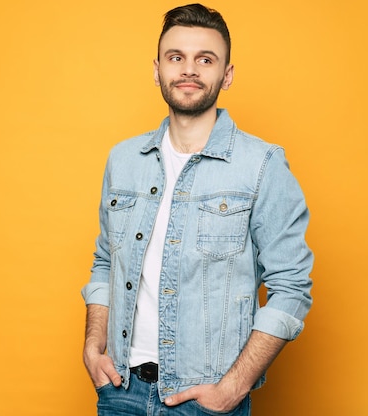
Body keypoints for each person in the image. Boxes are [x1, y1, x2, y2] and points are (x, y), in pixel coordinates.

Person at [81, 3, 313, 415]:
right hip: (120, 389)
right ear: (157, 70)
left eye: (205, 59)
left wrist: (232, 388)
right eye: (176, 58)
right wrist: (93, 346)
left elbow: (292, 287)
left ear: (226, 74)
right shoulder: (123, 160)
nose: (189, 70)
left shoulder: (262, 165)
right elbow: (105, 262)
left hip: (205, 402)